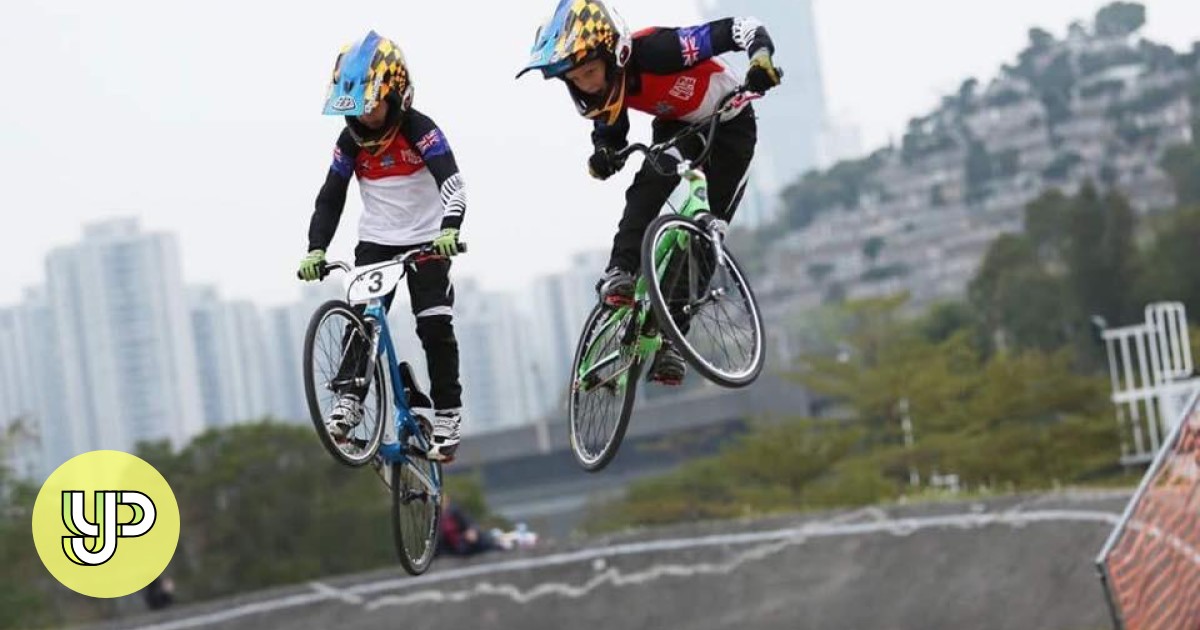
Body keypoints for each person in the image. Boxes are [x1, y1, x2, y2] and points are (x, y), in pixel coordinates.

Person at [517, 1, 782, 385]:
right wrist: (605, 153)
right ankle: (619, 273)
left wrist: (760, 59)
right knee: (647, 187)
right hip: (678, 127)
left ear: (615, 54)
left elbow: (741, 27)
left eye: (590, 72)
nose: (587, 84)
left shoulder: (659, 50)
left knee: (709, 236)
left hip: (733, 124)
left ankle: (672, 339)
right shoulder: (606, 88)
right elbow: (610, 125)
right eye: (576, 79)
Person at [298, 31, 467, 461]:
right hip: (377, 243)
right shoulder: (349, 141)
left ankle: (448, 413)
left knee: (434, 324)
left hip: (429, 241)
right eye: (358, 107)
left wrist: (450, 226)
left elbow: (453, 182)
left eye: (374, 104)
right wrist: (316, 248)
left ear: (397, 94)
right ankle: (349, 399)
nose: (367, 116)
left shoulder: (420, 129)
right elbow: (330, 197)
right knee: (362, 321)